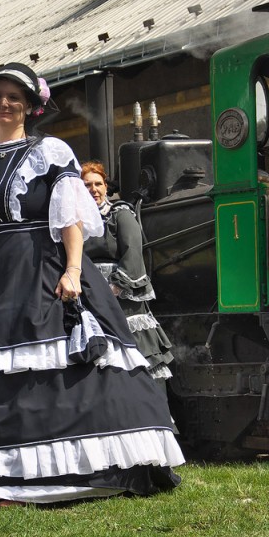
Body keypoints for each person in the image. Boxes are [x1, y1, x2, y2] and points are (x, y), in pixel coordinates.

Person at [0, 63, 184, 505]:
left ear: (30, 106)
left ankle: (82, 472)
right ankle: (1, 476)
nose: (4, 103)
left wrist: (74, 270)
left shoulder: (52, 151)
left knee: (60, 367)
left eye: (13, 97)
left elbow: (71, 219)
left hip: (44, 265)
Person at [80, 160, 174, 379]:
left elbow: (132, 252)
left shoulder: (119, 213)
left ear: (105, 187)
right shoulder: (75, 222)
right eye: (87, 185)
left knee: (134, 351)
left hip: (119, 295)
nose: (93, 189)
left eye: (98, 184)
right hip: (86, 295)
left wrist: (115, 286)